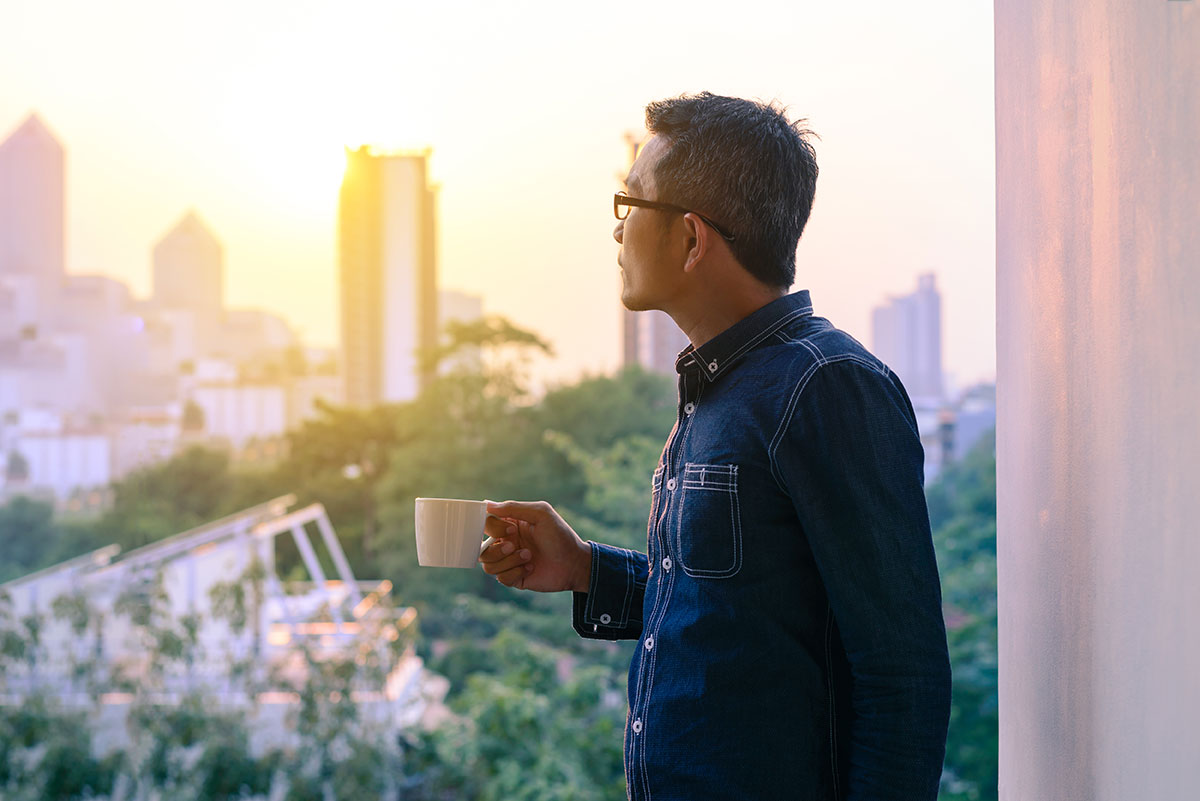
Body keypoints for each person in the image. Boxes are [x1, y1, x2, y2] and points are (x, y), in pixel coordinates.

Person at [479, 92, 951, 801]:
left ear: (692, 238)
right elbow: (738, 616)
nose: (616, 232)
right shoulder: (718, 388)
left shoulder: (825, 388)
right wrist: (581, 568)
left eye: (630, 203)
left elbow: (901, 674)